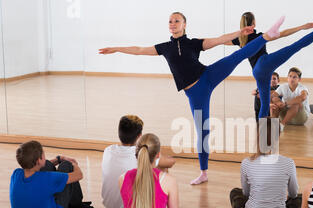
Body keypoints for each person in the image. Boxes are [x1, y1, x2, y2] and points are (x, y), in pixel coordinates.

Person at [99, 12, 286, 185]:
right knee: (203, 132)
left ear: (184, 24)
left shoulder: (194, 43)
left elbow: (219, 40)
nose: (172, 24)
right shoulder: (164, 48)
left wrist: (241, 32)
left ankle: (267, 35)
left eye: (176, 20)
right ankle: (203, 172)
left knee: (236, 56)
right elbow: (139, 49)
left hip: (208, 75)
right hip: (195, 94)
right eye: (170, 21)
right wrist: (116, 49)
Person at [228, 12, 313, 119]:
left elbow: (223, 40)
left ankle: (262, 133)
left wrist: (238, 33)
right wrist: (301, 27)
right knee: (295, 46)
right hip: (264, 63)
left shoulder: (240, 39)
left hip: (257, 72)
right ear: (254, 23)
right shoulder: (260, 36)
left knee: (265, 104)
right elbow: (283, 33)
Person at [230, 117, 301, 208]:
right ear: (278, 136)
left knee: (235, 192)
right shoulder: (289, 163)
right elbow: (293, 194)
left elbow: (246, 194)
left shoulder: (246, 162)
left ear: (257, 136)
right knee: (300, 198)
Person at [9, 141, 94, 208]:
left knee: (47, 165)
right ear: (39, 160)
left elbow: (42, 165)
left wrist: (59, 158)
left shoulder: (16, 174)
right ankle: (76, 207)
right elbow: (79, 175)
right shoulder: (47, 178)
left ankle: (68, 204)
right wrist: (73, 164)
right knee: (66, 166)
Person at [102, 115, 176, 208]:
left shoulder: (108, 150)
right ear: (139, 136)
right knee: (162, 169)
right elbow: (171, 162)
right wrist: (158, 153)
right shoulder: (140, 155)